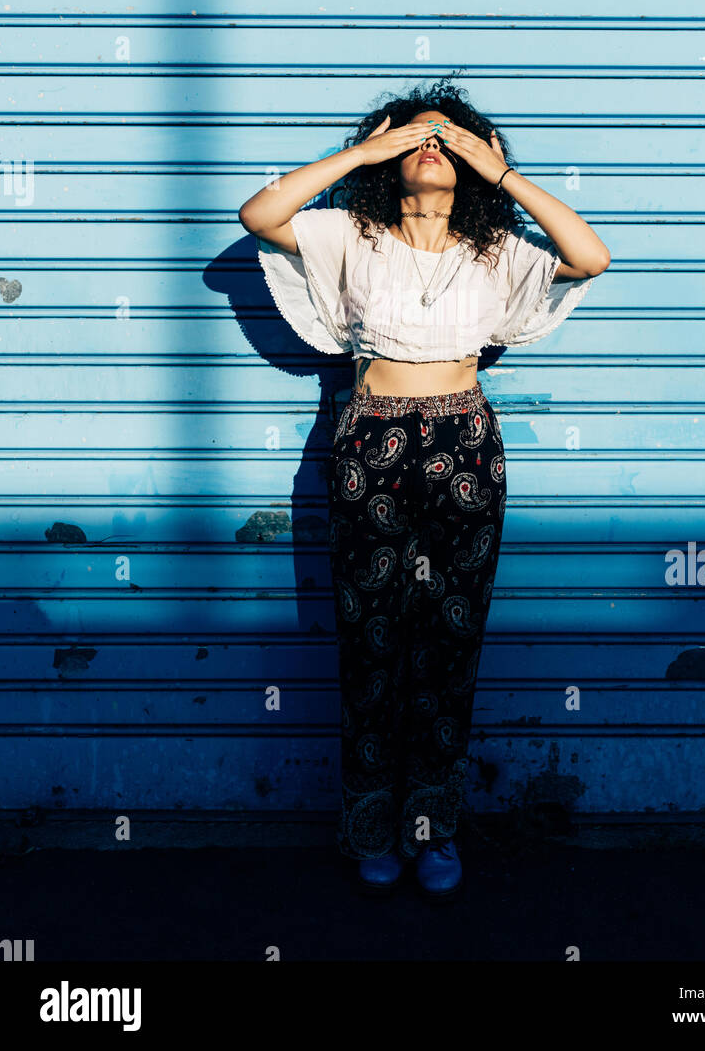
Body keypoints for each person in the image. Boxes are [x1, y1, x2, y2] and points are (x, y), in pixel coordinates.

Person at [238, 84, 610, 899]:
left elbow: (590, 258)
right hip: (371, 439)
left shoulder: (498, 250)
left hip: (465, 442)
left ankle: (434, 828)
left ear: (476, 158)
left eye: (451, 137)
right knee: (371, 641)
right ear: (386, 155)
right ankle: (371, 823)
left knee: (450, 640)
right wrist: (364, 150)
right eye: (414, 136)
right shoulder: (348, 234)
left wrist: (502, 176)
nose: (432, 145)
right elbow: (259, 216)